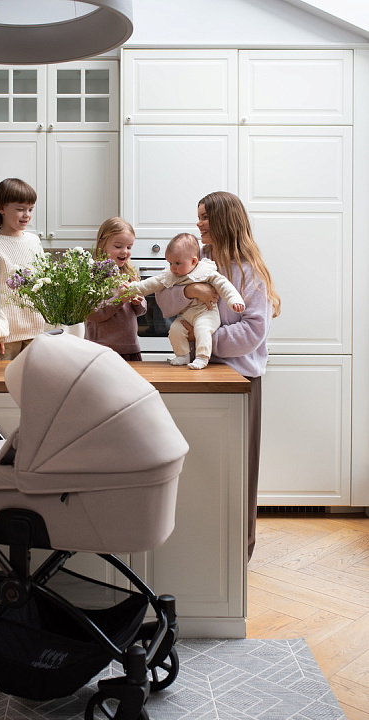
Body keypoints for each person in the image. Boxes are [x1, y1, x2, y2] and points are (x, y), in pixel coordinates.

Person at [155, 192, 281, 561]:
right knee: (202, 473)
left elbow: (253, 332)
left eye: (206, 217)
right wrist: (190, 289)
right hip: (199, 375)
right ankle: (203, 554)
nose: (199, 224)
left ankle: (238, 553)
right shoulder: (198, 260)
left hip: (239, 383)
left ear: (225, 220)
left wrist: (201, 339)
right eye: (198, 216)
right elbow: (163, 301)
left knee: (237, 474)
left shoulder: (249, 271)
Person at [125, 232, 245, 369]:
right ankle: (183, 355)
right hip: (186, 316)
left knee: (202, 329)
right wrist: (132, 288)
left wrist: (234, 300)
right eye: (170, 263)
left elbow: (224, 285)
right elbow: (150, 284)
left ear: (193, 261)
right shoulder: (172, 274)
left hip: (207, 312)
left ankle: (202, 357)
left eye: (177, 263)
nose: (173, 268)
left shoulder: (206, 271)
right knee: (175, 330)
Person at [0, 178, 46, 362]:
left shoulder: (34, 241)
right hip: (4, 339)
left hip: (37, 335)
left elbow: (44, 287)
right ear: (1, 208)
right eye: (20, 209)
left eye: (30, 209)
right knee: (0, 381)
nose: (27, 215)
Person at [85, 217, 147, 361]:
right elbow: (92, 313)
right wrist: (120, 299)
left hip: (130, 349)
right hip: (101, 350)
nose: (125, 252)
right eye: (118, 246)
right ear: (102, 245)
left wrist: (138, 303)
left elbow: (142, 310)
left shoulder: (131, 273)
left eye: (129, 247)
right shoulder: (93, 275)